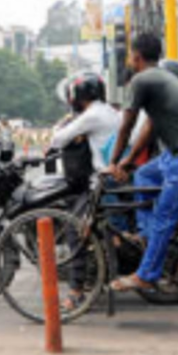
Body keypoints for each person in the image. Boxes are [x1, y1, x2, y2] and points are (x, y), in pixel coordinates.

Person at [106, 33, 178, 292]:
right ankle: (147, 239)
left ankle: (147, 272)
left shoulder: (142, 80)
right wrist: (130, 161)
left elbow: (127, 126)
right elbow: (151, 126)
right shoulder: (162, 76)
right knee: (144, 175)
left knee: (165, 216)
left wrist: (113, 163)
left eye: (132, 57)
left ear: (136, 56)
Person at [49, 73, 120, 310]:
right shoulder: (108, 111)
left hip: (102, 181)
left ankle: (76, 290)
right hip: (115, 176)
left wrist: (68, 125)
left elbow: (58, 140)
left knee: (73, 227)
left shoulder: (92, 116)